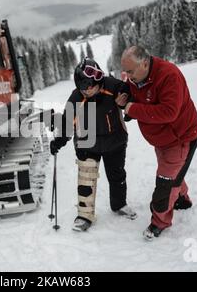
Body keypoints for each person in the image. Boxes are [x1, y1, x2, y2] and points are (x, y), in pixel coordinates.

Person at [120, 46, 197, 240]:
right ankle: (182, 200)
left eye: (130, 71)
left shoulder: (169, 75)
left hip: (180, 138)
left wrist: (131, 108)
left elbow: (168, 112)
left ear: (145, 63)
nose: (128, 76)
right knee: (172, 172)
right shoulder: (137, 76)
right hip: (161, 140)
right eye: (125, 72)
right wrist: (127, 99)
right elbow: (136, 95)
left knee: (165, 184)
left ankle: (160, 222)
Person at [50, 57, 137, 232]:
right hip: (86, 144)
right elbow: (68, 122)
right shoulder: (76, 97)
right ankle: (84, 215)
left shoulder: (113, 86)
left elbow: (129, 97)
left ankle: (119, 205)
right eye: (83, 89)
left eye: (90, 87)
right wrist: (59, 141)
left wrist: (127, 106)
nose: (87, 92)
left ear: (98, 80)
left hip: (115, 141)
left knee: (117, 175)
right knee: (86, 179)